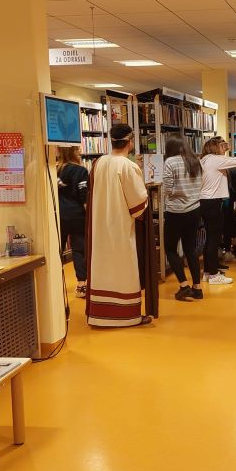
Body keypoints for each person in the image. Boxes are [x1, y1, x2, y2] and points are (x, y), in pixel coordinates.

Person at [85, 124, 150, 327]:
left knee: (101, 266)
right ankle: (126, 315)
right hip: (120, 227)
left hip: (99, 226)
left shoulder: (98, 162)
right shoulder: (128, 166)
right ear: (130, 142)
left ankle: (99, 314)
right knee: (124, 268)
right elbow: (138, 204)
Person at [200, 136, 236, 285]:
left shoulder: (205, 159)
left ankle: (208, 272)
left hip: (206, 202)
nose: (225, 148)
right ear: (215, 147)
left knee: (210, 239)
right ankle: (214, 276)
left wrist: (224, 148)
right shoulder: (215, 160)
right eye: (222, 146)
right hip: (213, 202)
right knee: (214, 239)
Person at [162, 136, 203, 302]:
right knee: (190, 249)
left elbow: (167, 189)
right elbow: (200, 184)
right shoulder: (195, 161)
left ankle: (184, 286)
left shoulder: (170, 162)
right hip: (194, 209)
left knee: (170, 249)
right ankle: (197, 288)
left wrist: (174, 192)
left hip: (175, 211)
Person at [57, 146, 89, 297]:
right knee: (79, 249)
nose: (80, 152)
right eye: (78, 150)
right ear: (73, 152)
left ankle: (55, 286)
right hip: (77, 215)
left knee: (57, 250)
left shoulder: (54, 170)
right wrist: (89, 214)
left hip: (59, 215)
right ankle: (82, 285)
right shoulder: (80, 171)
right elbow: (84, 195)